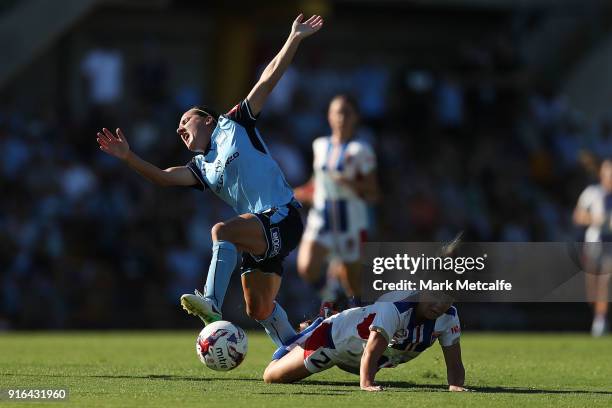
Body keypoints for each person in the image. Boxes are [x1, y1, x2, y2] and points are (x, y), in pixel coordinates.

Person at [95, 14, 324, 348]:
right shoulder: (202, 166)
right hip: (257, 231)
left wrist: (294, 38)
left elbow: (267, 80)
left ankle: (211, 302)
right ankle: (298, 347)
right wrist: (129, 158)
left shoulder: (235, 124)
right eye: (177, 127)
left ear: (207, 119)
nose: (179, 128)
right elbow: (162, 178)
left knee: (221, 231)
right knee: (258, 309)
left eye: (185, 120)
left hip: (283, 216)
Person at [263, 292, 468, 392]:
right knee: (272, 376)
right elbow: (371, 350)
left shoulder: (449, 317)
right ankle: (317, 325)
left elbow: (455, 364)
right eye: (435, 296)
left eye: (447, 298)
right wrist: (367, 384)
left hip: (369, 360)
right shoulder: (397, 308)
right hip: (335, 341)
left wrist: (456, 386)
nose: (439, 305)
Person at [294, 95, 379, 308]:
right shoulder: (320, 145)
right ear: (329, 116)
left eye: (346, 113)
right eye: (336, 112)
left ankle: (359, 319)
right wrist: (297, 193)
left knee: (354, 284)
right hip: (322, 216)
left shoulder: (361, 150)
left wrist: (350, 183)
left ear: (356, 118)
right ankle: (332, 298)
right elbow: (317, 182)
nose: (341, 118)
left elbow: (374, 192)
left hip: (350, 220)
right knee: (306, 267)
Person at [573, 159, 612, 337]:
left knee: (606, 280)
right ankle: (596, 315)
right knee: (592, 287)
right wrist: (595, 220)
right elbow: (578, 216)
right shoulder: (592, 192)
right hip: (593, 243)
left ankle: (600, 319)